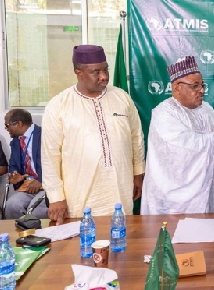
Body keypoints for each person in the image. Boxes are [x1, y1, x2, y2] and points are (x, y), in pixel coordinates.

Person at [42, 45, 146, 223]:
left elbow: (136, 137)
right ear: (78, 72)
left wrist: (138, 174)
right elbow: (49, 155)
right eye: (95, 72)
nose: (104, 76)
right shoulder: (59, 105)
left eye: (106, 69)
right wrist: (56, 196)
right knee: (82, 244)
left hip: (120, 187)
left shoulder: (122, 98)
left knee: (121, 239)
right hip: (79, 193)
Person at [140, 55, 214, 214]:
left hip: (208, 192)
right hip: (175, 201)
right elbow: (182, 144)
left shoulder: (206, 109)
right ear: (176, 87)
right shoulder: (164, 113)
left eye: (202, 85)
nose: (202, 91)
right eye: (195, 86)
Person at [4, 109, 47, 219]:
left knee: (35, 211)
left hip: (47, 185)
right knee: (11, 206)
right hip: (27, 186)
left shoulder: (45, 135)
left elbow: (56, 162)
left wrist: (41, 181)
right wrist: (14, 175)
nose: (6, 129)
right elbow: (13, 164)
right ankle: (21, 235)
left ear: (19, 123)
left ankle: (40, 235)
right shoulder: (15, 142)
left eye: (7, 125)